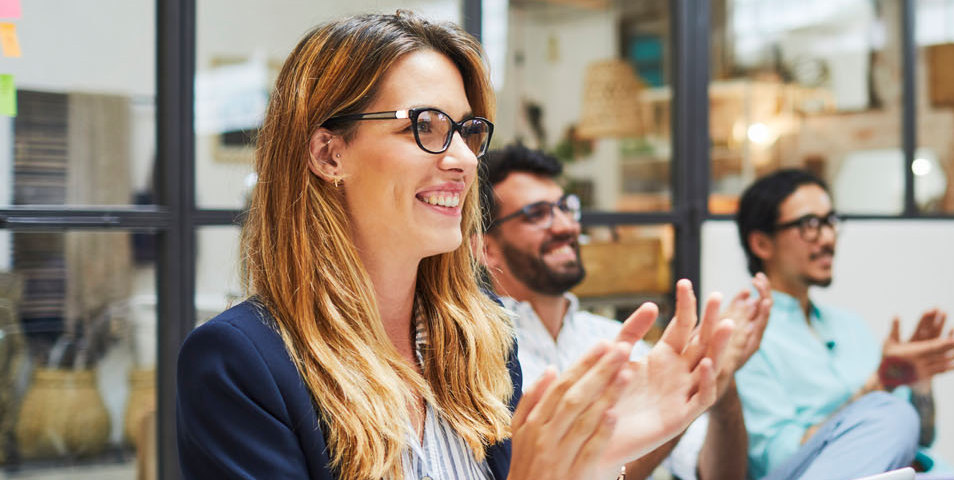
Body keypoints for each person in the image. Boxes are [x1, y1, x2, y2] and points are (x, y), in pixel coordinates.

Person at [175, 11, 732, 480]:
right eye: (426, 126)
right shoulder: (238, 363)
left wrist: (606, 448)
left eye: (467, 131)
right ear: (328, 154)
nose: (465, 159)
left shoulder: (481, 337)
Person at [477, 144, 773, 480]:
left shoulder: (615, 338)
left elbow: (719, 475)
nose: (565, 227)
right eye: (536, 214)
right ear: (487, 249)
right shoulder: (477, 361)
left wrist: (719, 379)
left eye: (564, 208)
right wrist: (674, 407)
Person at [732, 169, 954, 479]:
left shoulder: (850, 327)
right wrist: (880, 386)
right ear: (762, 244)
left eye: (830, 222)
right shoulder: (743, 336)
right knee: (889, 413)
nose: (828, 238)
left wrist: (915, 380)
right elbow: (777, 460)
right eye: (810, 225)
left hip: (912, 470)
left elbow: (920, 435)